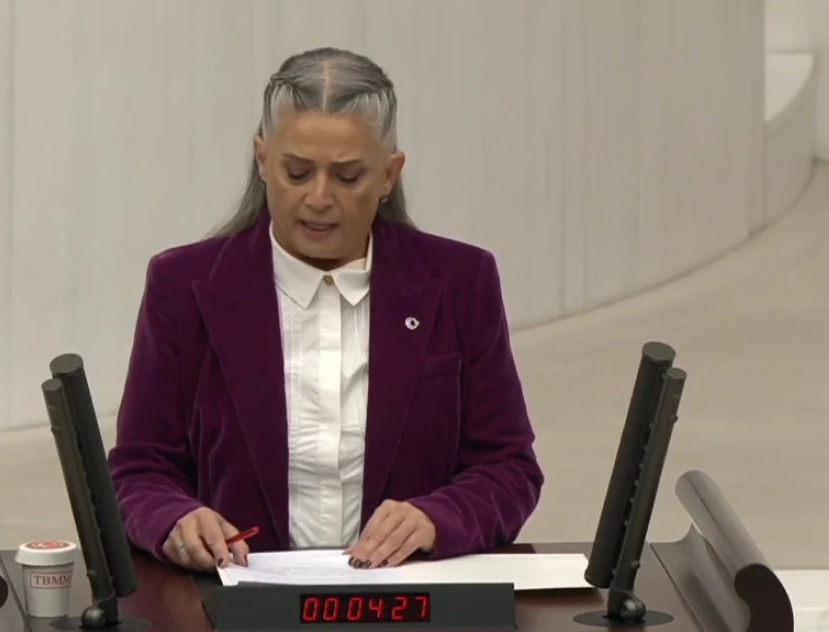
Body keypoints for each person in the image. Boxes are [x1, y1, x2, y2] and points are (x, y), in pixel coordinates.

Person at [108, 47, 543, 574]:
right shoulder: (182, 286)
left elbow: (508, 469)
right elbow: (139, 471)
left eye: (348, 177)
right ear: (262, 160)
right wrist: (175, 519)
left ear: (389, 175)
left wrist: (438, 519)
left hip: (410, 599)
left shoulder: (461, 282)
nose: (318, 198)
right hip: (237, 600)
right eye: (296, 173)